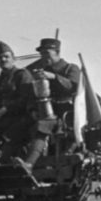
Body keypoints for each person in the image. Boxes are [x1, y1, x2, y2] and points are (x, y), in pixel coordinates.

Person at [15, 38, 80, 169]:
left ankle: (29, 163)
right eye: (42, 54)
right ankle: (6, 160)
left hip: (67, 115)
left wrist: (54, 77)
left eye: (47, 53)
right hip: (46, 111)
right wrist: (32, 109)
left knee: (43, 125)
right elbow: (33, 95)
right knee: (19, 124)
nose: (44, 57)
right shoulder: (42, 71)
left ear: (57, 52)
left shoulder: (71, 68)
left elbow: (74, 86)